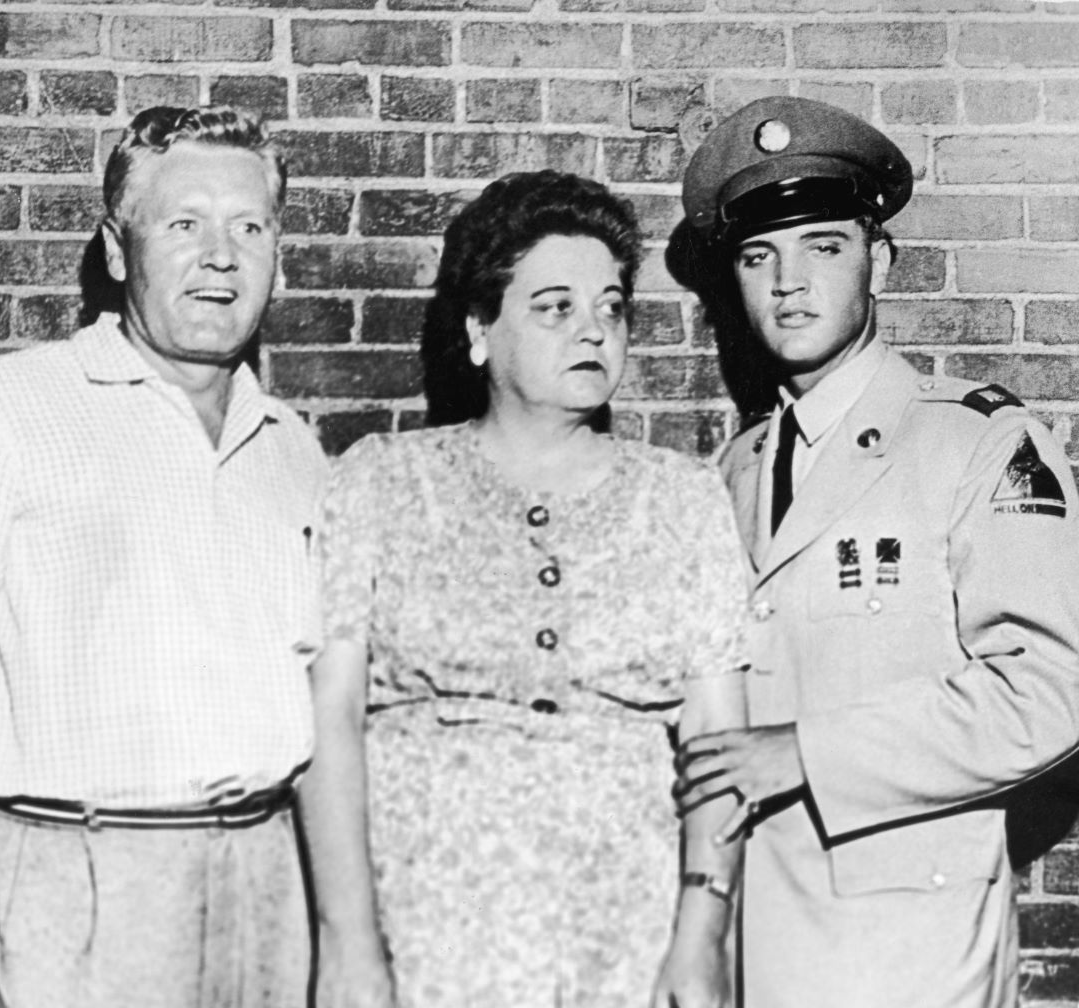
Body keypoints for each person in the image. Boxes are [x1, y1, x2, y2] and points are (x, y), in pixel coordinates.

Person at [0, 106, 326, 1007]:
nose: (222, 255)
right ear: (118, 251)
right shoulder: (0, 410)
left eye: (250, 227)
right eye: (185, 223)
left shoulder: (292, 450)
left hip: (269, 889)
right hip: (68, 884)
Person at [297, 169, 749, 1008]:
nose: (593, 331)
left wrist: (703, 934)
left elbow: (719, 743)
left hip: (624, 940)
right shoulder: (384, 483)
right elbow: (331, 723)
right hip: (427, 934)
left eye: (611, 307)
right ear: (479, 328)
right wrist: (349, 941)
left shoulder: (685, 499)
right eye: (554, 307)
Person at [672, 95, 1079, 1007]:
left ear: (878, 260)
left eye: (823, 245)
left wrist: (809, 754)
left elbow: (1055, 687)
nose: (788, 283)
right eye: (756, 256)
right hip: (753, 952)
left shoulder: (973, 446)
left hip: (913, 958)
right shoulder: (728, 475)